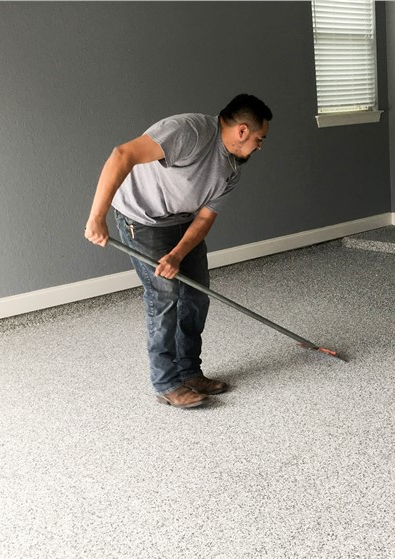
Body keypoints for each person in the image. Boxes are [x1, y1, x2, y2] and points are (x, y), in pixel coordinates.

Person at [84, 94, 272, 409]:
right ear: (242, 131)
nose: (259, 146)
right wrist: (96, 217)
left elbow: (204, 220)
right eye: (259, 139)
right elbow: (122, 154)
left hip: (183, 223)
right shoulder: (189, 131)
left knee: (196, 296)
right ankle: (166, 382)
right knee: (164, 296)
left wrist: (177, 254)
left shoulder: (231, 168)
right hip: (141, 219)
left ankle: (189, 370)